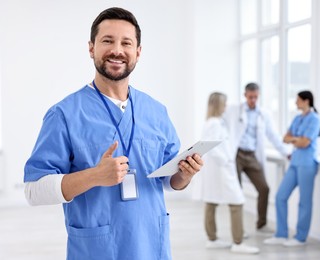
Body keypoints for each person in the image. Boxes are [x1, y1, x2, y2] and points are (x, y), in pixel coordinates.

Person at [23, 7, 203, 260]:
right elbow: (33, 190)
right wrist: (94, 176)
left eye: (126, 43)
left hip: (152, 245)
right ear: (91, 48)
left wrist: (184, 175)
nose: (117, 50)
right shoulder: (64, 114)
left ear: (137, 53)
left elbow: (168, 181)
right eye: (107, 41)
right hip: (98, 249)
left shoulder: (156, 111)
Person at [196, 92, 259, 254]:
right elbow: (211, 147)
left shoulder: (213, 122)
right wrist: (227, 161)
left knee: (211, 201)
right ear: (218, 105)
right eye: (224, 103)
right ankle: (238, 242)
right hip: (221, 168)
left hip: (216, 169)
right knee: (237, 202)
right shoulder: (214, 124)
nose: (225, 106)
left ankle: (212, 239)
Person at [224, 82, 289, 234]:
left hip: (252, 155)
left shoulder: (263, 114)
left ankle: (261, 224)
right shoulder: (235, 110)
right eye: (250, 97)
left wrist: (285, 152)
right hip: (237, 155)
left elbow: (272, 135)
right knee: (236, 191)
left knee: (264, 188)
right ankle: (238, 230)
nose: (253, 100)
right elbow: (222, 122)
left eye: (255, 97)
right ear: (245, 95)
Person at [264, 90, 320, 247]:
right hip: (295, 162)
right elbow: (285, 138)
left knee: (304, 201)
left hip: (308, 163)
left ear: (306, 101)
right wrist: (297, 139)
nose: (295, 103)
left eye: (298, 100)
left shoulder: (315, 119)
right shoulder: (297, 118)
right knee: (280, 196)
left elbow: (305, 143)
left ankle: (300, 237)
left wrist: (294, 139)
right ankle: (281, 234)